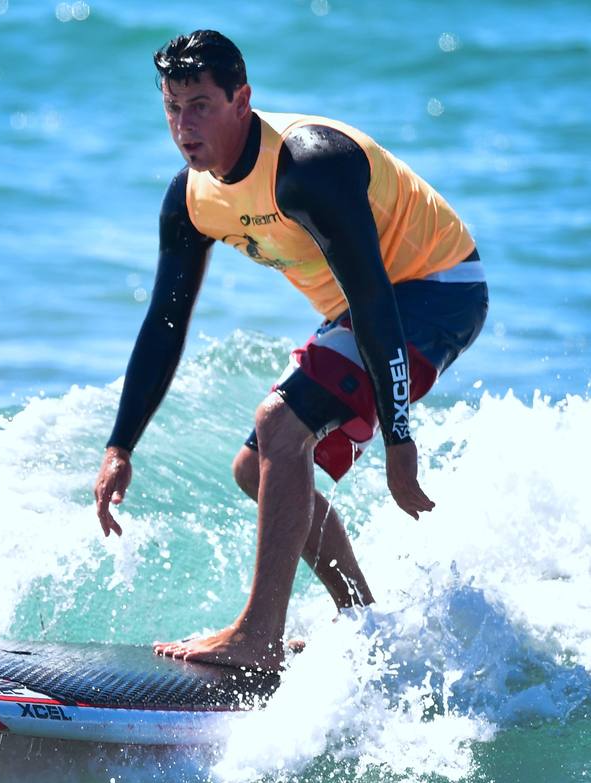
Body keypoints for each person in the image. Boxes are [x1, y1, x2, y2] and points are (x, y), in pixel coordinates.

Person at [94, 30, 488, 670]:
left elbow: (373, 299)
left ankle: (258, 635)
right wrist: (121, 446)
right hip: (365, 307)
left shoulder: (308, 165)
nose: (183, 124)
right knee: (258, 467)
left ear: (241, 99)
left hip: (435, 290)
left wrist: (398, 438)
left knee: (280, 426)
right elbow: (165, 322)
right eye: (171, 106)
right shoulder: (192, 199)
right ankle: (363, 621)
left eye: (200, 105)